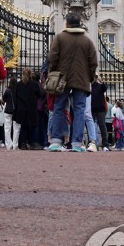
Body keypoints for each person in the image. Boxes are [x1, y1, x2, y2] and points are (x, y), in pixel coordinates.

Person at [46, 12, 97, 153]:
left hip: (62, 78)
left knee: (58, 108)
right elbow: (93, 62)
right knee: (80, 110)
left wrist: (53, 72)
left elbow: (53, 57)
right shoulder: (87, 41)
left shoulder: (60, 38)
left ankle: (56, 141)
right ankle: (76, 143)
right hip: (81, 79)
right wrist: (91, 77)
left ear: (67, 24)